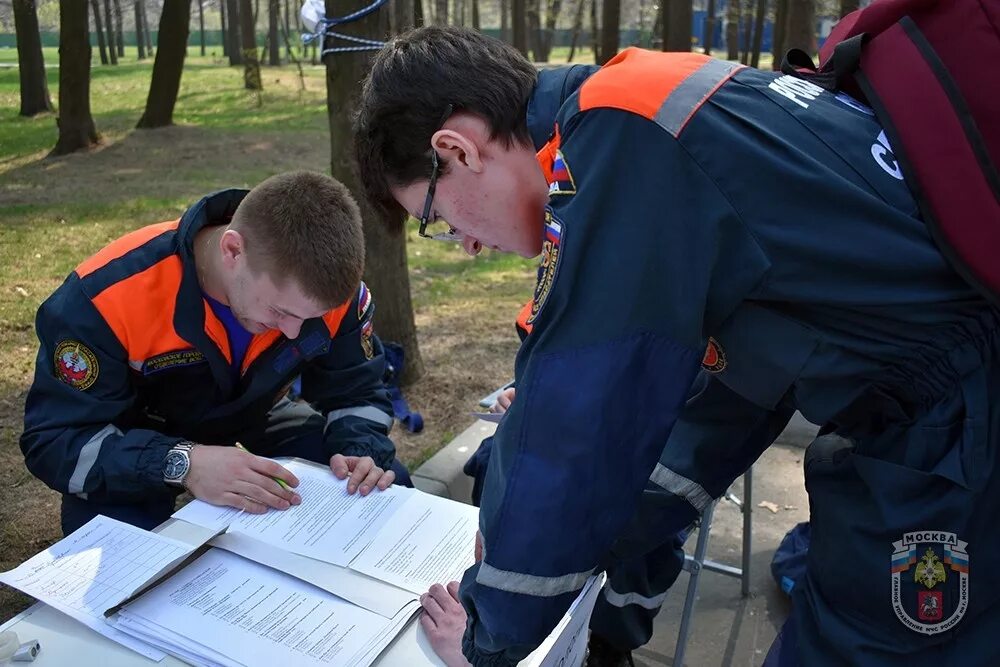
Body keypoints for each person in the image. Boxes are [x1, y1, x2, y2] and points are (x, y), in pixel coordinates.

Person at [354, 25, 1000, 667]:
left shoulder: (620, 145)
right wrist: (532, 554)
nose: (464, 244)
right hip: (938, 415)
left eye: (437, 218)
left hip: (952, 432)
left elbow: (578, 416)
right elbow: (723, 388)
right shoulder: (639, 93)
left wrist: (490, 631)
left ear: (458, 149)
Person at [21, 171, 410, 535]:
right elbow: (56, 441)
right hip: (133, 437)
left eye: (310, 318)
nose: (293, 330)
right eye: (279, 312)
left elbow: (357, 391)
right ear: (232, 250)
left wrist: (359, 451)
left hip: (255, 412)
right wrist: (181, 463)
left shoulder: (329, 295)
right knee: (119, 552)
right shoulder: (108, 296)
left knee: (383, 490)